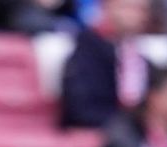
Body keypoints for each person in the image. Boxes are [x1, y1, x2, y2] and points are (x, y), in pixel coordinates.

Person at [61, 0, 155, 129]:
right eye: (128, 8)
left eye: (142, 10)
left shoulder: (136, 53)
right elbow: (81, 109)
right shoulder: (88, 48)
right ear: (106, 7)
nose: (136, 15)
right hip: (100, 129)